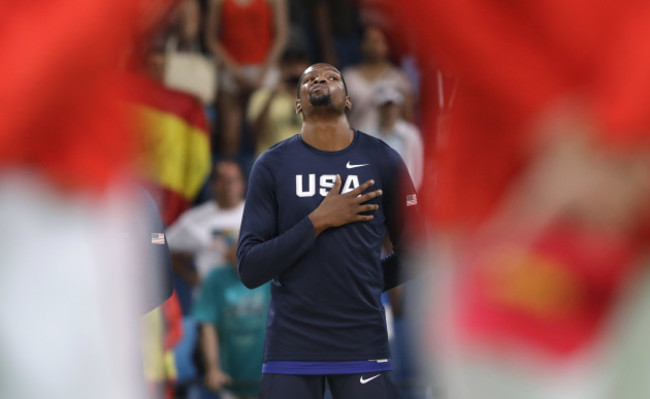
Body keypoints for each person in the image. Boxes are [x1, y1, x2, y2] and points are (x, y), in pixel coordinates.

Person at [237, 63, 419, 399]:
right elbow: (249, 267)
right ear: (298, 105)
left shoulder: (383, 159)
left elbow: (417, 252)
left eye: (331, 77)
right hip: (291, 347)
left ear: (348, 100)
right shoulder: (271, 165)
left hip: (361, 341)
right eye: (309, 79)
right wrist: (318, 220)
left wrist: (363, 280)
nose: (320, 79)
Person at [205, 0, 289, 155]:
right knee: (229, 140)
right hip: (231, 70)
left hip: (264, 69)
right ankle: (232, 175)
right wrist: (234, 70)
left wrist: (262, 73)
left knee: (265, 135)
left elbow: (281, 36)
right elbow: (211, 38)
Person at [193, 235, 270, 399]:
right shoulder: (216, 278)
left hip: (268, 379)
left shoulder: (272, 275)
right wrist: (213, 369)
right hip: (230, 381)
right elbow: (207, 326)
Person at [166, 160, 246, 290]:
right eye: (224, 180)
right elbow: (161, 240)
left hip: (247, 299)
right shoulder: (194, 218)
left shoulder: (257, 215)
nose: (229, 186)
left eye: (233, 180)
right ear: (213, 185)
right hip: (207, 297)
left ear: (242, 184)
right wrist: (187, 275)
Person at [343, 25, 414, 134]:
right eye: (369, 40)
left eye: (378, 41)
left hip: (390, 144)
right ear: (361, 44)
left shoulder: (398, 78)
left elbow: (408, 115)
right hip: (357, 143)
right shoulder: (348, 77)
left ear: (387, 45)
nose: (373, 45)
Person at [247, 49, 310, 157]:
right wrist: (272, 97)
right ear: (281, 68)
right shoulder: (262, 95)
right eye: (289, 66)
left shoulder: (314, 99)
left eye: (298, 67)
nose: (294, 71)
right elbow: (255, 133)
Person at [369, 84, 423, 189]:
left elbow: (417, 169)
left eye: (393, 105)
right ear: (378, 108)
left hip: (403, 192)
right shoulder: (367, 133)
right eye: (385, 106)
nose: (389, 110)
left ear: (399, 107)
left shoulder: (411, 134)